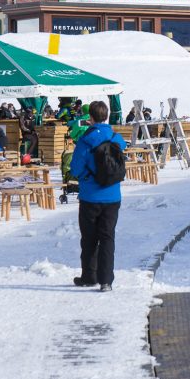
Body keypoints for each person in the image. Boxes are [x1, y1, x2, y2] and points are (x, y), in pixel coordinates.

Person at [70, 101, 127, 292]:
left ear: (90, 118)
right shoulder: (116, 138)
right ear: (107, 116)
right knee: (107, 238)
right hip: (113, 196)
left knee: (89, 238)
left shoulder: (85, 141)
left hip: (90, 196)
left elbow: (76, 169)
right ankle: (106, 281)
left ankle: (89, 277)